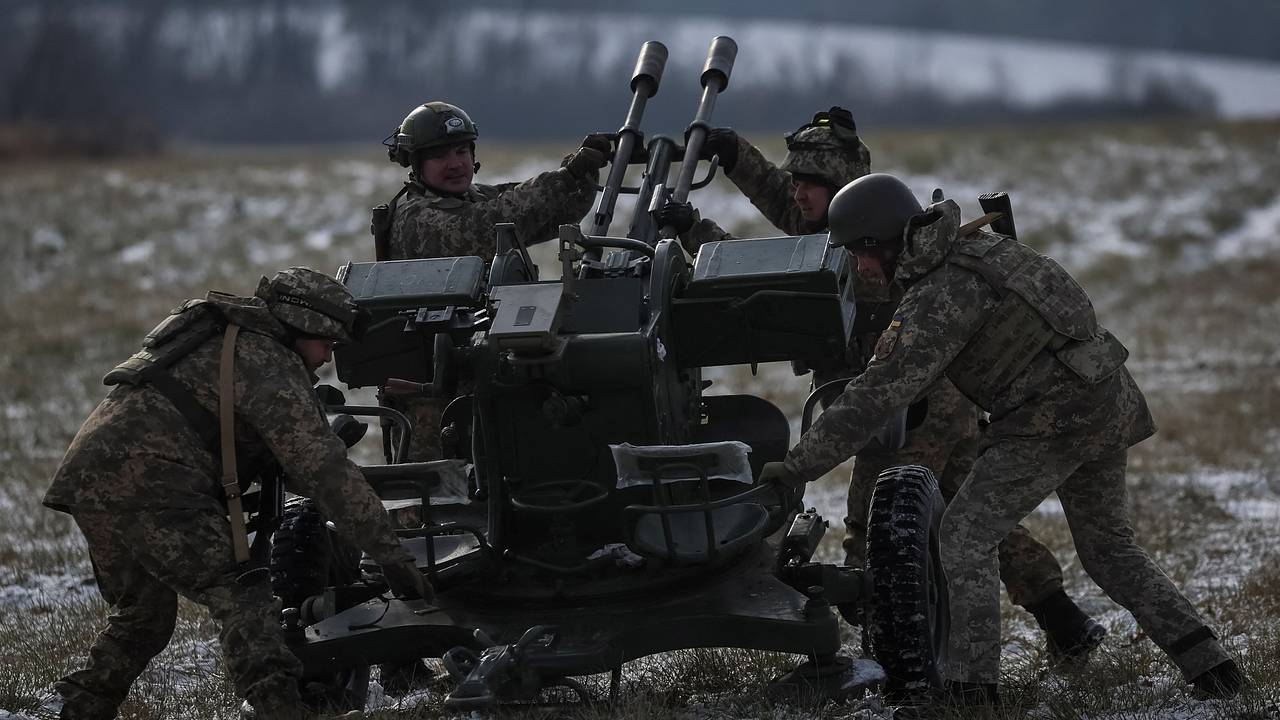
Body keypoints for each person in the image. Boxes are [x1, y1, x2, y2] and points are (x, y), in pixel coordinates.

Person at [760, 174, 1243, 704]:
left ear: (880, 243)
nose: (858, 267)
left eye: (858, 253)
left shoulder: (939, 294)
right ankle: (1213, 669)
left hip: (1052, 419)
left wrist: (795, 467)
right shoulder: (977, 249)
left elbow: (874, 395)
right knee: (1109, 550)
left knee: (964, 535)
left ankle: (972, 693)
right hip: (1105, 398)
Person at [660, 109, 1103, 660]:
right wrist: (734, 155)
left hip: (909, 408)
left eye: (810, 185)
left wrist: (694, 231)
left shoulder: (862, 257)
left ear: (843, 193)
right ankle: (1064, 619)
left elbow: (764, 282)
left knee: (875, 529)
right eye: (795, 181)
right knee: (965, 510)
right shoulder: (860, 229)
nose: (796, 194)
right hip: (933, 400)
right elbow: (786, 201)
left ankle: (890, 652)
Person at [44, 268, 430, 720]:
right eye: (327, 342)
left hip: (90, 476)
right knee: (243, 595)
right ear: (299, 326)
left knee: (142, 619)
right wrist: (391, 557)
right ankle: (281, 711)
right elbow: (324, 470)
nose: (327, 358)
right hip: (152, 481)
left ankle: (77, 708)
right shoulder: (267, 361)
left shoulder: (227, 340)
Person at [374, 100, 608, 463]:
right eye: (440, 156)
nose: (455, 164)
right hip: (435, 399)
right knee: (438, 502)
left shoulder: (471, 197)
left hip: (484, 371)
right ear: (415, 164)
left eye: (461, 150)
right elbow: (490, 224)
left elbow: (553, 211)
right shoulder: (416, 217)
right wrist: (564, 177)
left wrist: (582, 173)